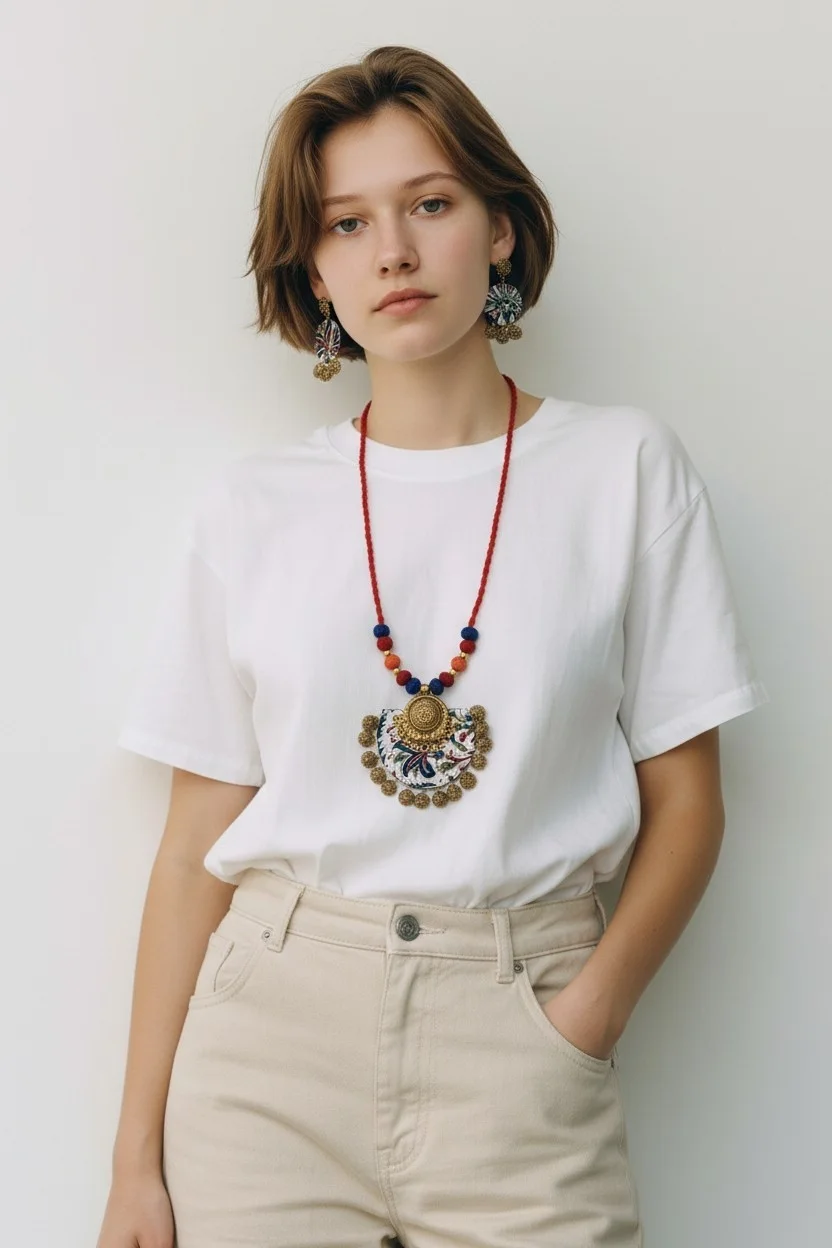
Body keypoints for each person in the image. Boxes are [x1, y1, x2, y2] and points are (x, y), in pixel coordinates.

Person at [97, 44, 770, 1248]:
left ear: (499, 230)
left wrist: (583, 1018)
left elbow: (688, 801)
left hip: (520, 1039)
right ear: (311, 266)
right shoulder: (251, 510)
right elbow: (193, 837)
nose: (391, 253)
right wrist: (133, 1162)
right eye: (345, 224)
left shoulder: (622, 471)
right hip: (267, 1053)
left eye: (429, 204)